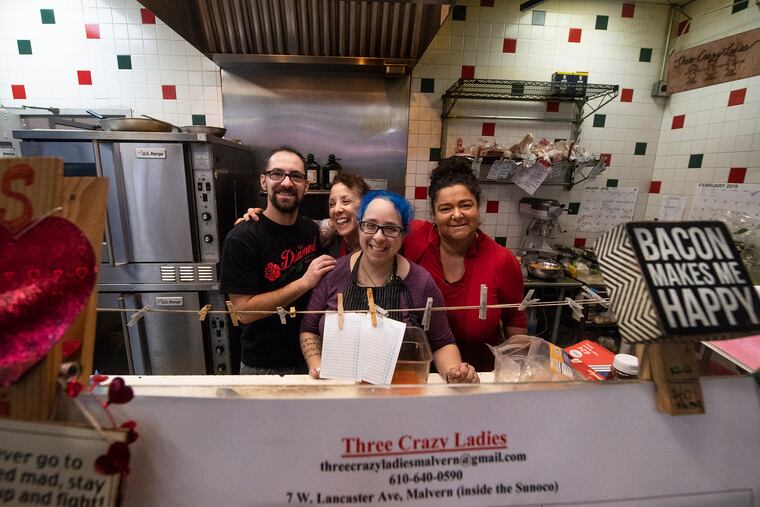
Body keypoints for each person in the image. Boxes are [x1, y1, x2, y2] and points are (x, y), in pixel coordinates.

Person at [300, 190, 479, 383]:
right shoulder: (333, 274)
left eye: (391, 229)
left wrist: (455, 372)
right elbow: (308, 328)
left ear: (403, 235)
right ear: (359, 227)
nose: (378, 237)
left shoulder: (421, 281)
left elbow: (442, 343)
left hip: (399, 394)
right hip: (337, 389)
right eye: (370, 225)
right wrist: (317, 364)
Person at [404, 157, 528, 372]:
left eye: (465, 205)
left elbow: (515, 323)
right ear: (433, 214)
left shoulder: (502, 260)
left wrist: (518, 373)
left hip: (478, 379)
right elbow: (373, 234)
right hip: (417, 375)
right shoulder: (415, 238)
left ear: (478, 208)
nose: (457, 215)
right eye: (445, 208)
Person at [220, 146, 336, 375]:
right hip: (263, 366)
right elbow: (243, 311)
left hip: (310, 360)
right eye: (277, 174)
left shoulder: (311, 229)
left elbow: (344, 221)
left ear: (306, 186)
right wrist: (304, 282)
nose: (286, 182)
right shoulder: (242, 238)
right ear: (263, 182)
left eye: (295, 176)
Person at [236, 172, 370, 258]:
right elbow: (288, 227)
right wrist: (261, 219)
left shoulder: (380, 242)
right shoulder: (326, 236)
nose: (337, 209)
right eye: (331, 204)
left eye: (346, 201)